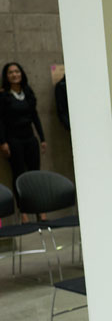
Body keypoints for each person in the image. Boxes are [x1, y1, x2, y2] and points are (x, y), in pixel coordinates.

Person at [0, 62, 47, 219]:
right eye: (11, 72)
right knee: (19, 175)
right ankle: (24, 212)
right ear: (6, 76)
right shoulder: (4, 96)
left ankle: (40, 209)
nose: (14, 74)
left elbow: (35, 116)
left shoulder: (28, 92)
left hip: (30, 138)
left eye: (17, 71)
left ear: (21, 73)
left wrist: (42, 138)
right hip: (14, 140)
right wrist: (3, 142)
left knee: (35, 174)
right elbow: (1, 121)